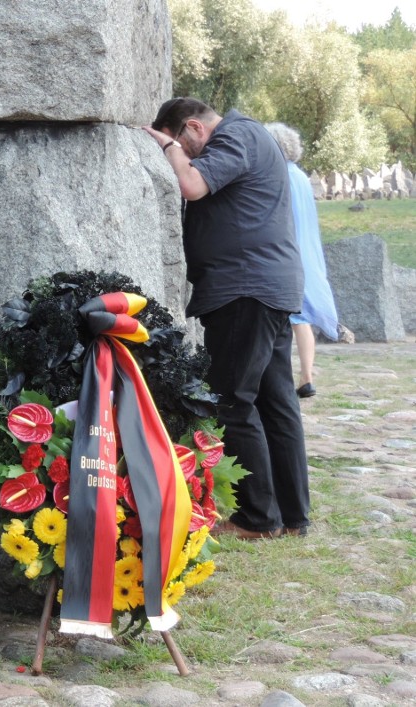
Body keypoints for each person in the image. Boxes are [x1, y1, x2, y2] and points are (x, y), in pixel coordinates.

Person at [143, 98, 310, 539]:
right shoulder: (253, 136)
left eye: (186, 144)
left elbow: (193, 186)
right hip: (267, 289)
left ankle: (259, 518)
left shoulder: (235, 134)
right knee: (276, 402)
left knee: (232, 401)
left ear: (195, 128)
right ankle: (293, 516)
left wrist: (168, 149)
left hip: (244, 290)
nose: (191, 155)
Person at [264, 122, 339, 399]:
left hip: (287, 245)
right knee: (301, 315)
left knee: (290, 314)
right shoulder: (301, 176)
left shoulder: (278, 175)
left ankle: (278, 377)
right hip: (305, 243)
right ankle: (306, 374)